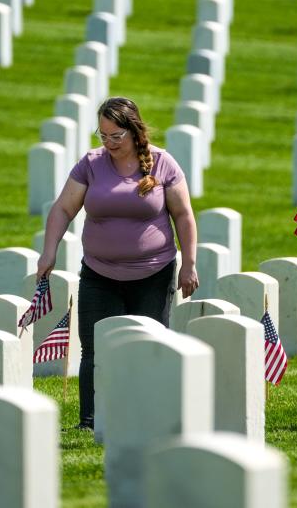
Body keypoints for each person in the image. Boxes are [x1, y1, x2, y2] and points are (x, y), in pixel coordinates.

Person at [38, 96, 199, 430]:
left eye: (116, 136)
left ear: (133, 131)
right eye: (103, 136)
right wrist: (48, 251)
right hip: (99, 271)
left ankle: (147, 415)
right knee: (94, 348)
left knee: (150, 345)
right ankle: (90, 419)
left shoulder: (161, 163)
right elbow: (64, 208)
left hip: (153, 271)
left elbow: (183, 215)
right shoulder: (91, 164)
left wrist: (189, 263)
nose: (109, 143)